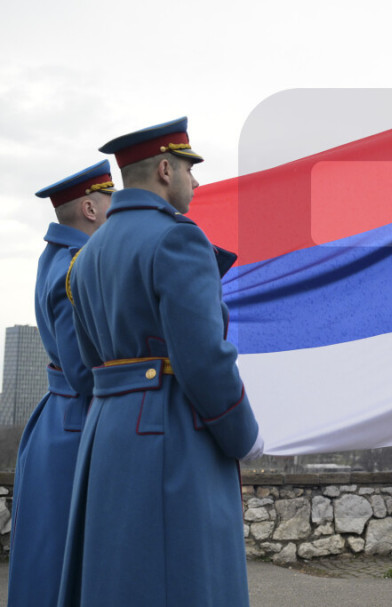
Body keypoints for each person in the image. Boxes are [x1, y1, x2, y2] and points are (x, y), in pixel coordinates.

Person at [58, 117, 264, 607]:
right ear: (165, 170)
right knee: (183, 582)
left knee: (119, 582)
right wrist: (244, 435)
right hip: (169, 433)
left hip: (107, 434)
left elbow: (87, 366)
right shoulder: (179, 239)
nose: (196, 181)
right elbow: (205, 360)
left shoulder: (85, 257)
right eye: (190, 169)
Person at [6, 161, 113, 607]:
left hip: (55, 419)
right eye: (110, 202)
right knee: (64, 562)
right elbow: (83, 371)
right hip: (76, 425)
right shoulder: (77, 266)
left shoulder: (54, 257)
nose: (116, 212)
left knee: (46, 556)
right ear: (89, 209)